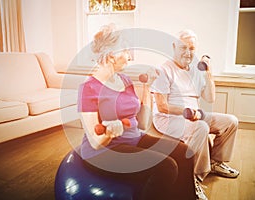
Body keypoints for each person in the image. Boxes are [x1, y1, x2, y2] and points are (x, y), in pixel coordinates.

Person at [77, 24, 197, 200]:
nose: (129, 56)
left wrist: (149, 86)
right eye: (125, 51)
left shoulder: (124, 80)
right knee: (166, 167)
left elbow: (143, 123)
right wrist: (110, 132)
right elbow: (96, 142)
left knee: (185, 152)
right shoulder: (88, 88)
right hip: (104, 151)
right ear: (111, 56)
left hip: (134, 139)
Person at [151, 29, 240, 200]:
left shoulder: (196, 70)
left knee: (231, 121)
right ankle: (192, 180)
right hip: (168, 118)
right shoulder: (163, 70)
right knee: (201, 127)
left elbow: (210, 97)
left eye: (191, 48)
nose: (187, 52)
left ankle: (216, 162)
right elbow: (162, 106)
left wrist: (208, 73)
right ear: (174, 46)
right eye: (183, 47)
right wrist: (187, 112)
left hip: (195, 115)